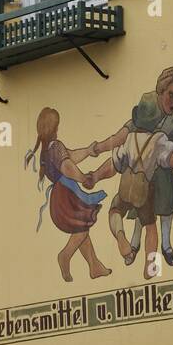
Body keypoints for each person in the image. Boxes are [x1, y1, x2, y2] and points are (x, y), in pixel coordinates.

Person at [89, 68, 173, 274]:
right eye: (171, 95)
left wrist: (95, 175)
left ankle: (134, 242)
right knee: (149, 225)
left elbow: (114, 161)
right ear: (160, 93)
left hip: (132, 185)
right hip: (146, 185)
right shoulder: (159, 139)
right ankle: (150, 265)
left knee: (126, 211)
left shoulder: (136, 136)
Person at [24, 107, 110, 281]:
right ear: (54, 127)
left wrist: (87, 150)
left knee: (81, 226)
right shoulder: (55, 146)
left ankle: (94, 266)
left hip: (60, 195)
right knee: (82, 225)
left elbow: (70, 156)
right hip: (67, 194)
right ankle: (65, 255)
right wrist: (82, 178)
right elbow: (67, 166)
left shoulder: (47, 149)